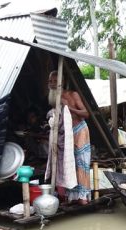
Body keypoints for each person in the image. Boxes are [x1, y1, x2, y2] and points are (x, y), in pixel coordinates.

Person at [47, 71, 91, 205]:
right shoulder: (53, 98)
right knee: (68, 163)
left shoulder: (73, 95)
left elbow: (86, 113)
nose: (53, 84)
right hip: (67, 134)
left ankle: (83, 196)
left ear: (62, 82)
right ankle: (71, 195)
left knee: (81, 163)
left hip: (80, 131)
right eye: (51, 81)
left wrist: (69, 107)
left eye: (55, 81)